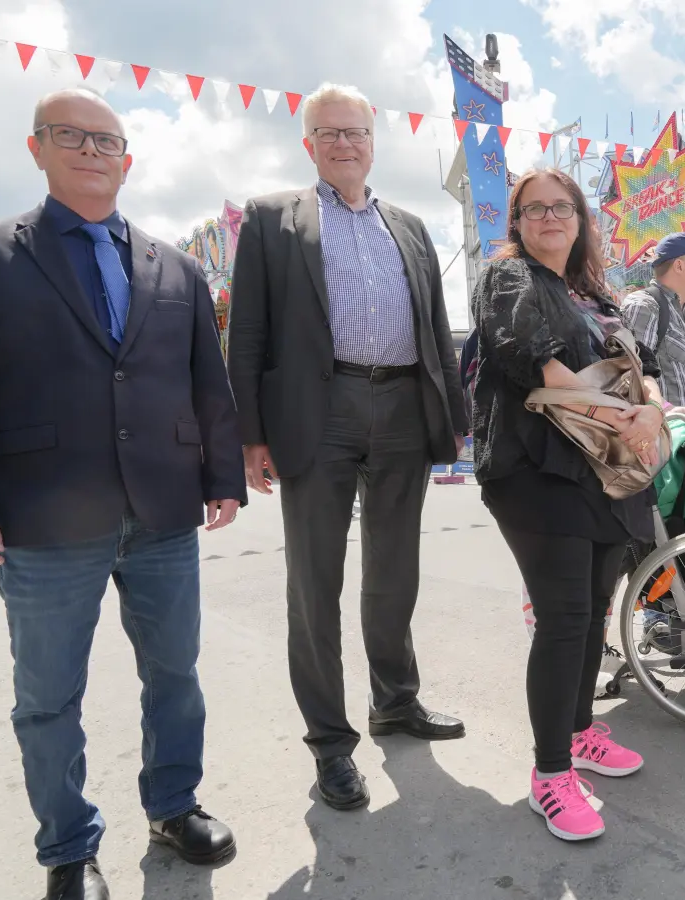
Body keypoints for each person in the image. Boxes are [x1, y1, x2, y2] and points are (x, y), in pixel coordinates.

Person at [0, 88, 244, 900]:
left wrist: (223, 477)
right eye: (73, 136)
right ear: (37, 148)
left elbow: (208, 384)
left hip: (163, 512)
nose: (93, 152)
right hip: (43, 520)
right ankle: (68, 847)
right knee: (48, 697)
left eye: (108, 141)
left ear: (128, 159)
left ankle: (173, 804)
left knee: (176, 674)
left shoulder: (176, 266)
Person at [226, 84, 470, 814]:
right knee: (315, 585)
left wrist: (451, 416)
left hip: (401, 403)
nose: (344, 143)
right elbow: (249, 336)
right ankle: (331, 745)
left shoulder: (409, 225)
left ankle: (396, 701)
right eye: (328, 132)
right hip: (317, 409)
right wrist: (251, 435)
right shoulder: (274, 219)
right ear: (308, 143)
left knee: (395, 571)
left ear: (374, 140)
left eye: (355, 131)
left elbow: (435, 326)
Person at [471, 168, 662, 842]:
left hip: (605, 473)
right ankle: (550, 775)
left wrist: (654, 415)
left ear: (581, 220)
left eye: (562, 207)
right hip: (535, 468)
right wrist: (632, 423)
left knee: (593, 617)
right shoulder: (511, 280)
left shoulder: (596, 293)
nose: (549, 217)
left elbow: (648, 374)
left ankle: (580, 733)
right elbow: (550, 373)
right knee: (564, 617)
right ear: (517, 222)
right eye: (534, 209)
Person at [620, 233, 685, 413]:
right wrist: (663, 410)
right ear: (679, 266)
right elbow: (632, 375)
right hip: (673, 433)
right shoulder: (645, 306)